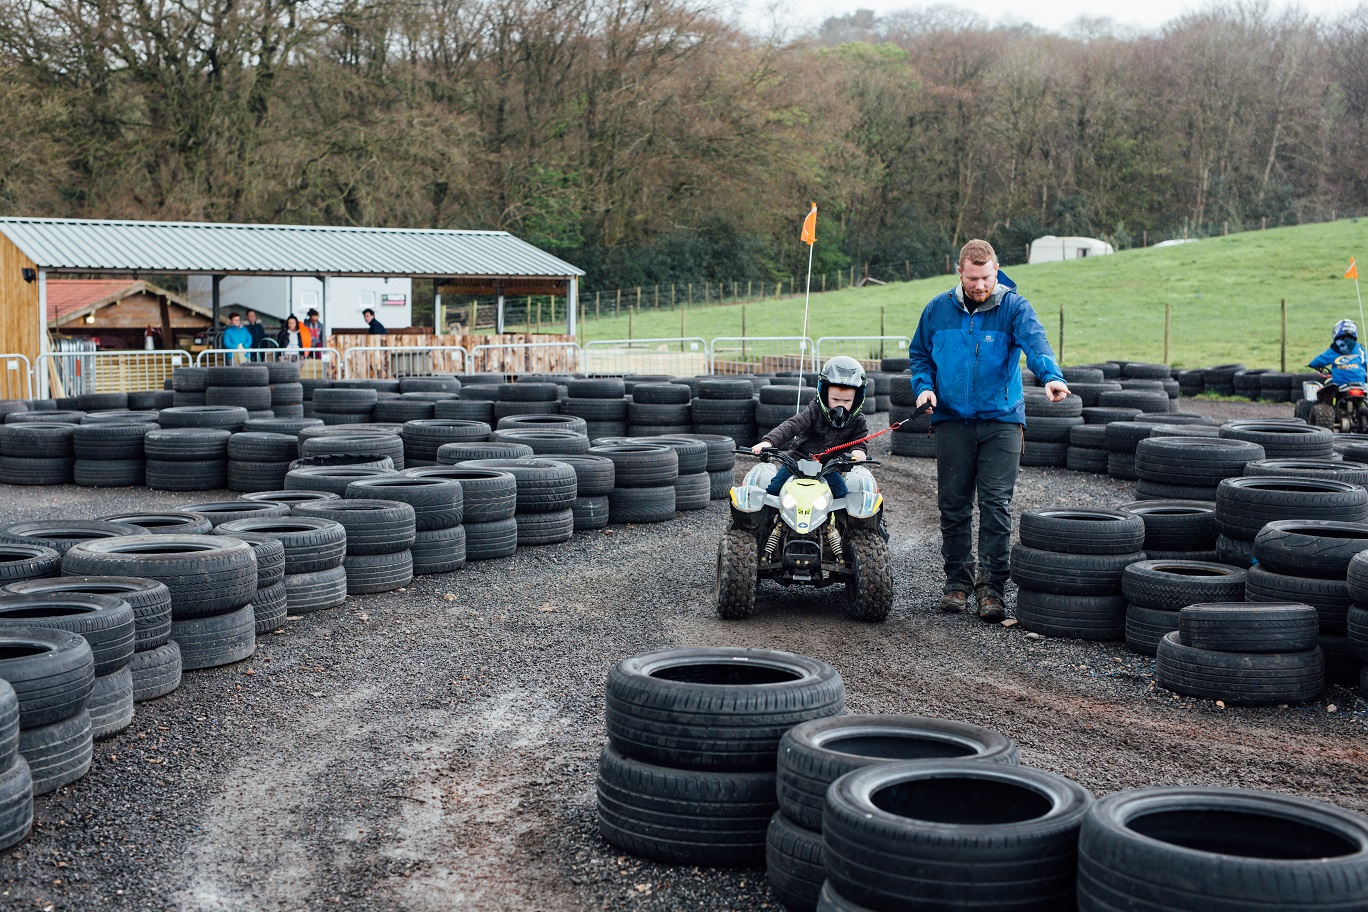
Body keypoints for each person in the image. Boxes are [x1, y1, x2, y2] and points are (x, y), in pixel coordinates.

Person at [908, 239, 1070, 621]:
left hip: (1001, 421)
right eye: (972, 278)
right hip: (951, 420)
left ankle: (992, 588)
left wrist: (1051, 376)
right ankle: (957, 583)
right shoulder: (936, 310)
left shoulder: (1015, 307)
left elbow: (1036, 343)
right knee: (953, 504)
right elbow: (920, 355)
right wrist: (924, 386)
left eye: (986, 277)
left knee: (996, 504)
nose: (980, 285)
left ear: (996, 272)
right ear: (959, 273)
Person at [751, 356, 870, 500]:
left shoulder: (858, 421)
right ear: (824, 395)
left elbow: (859, 441)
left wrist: (858, 452)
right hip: (798, 461)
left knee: (841, 495)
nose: (841, 405)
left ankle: (835, 523)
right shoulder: (814, 411)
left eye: (847, 401)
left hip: (829, 466)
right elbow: (791, 426)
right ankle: (769, 521)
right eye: (835, 400)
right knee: (774, 491)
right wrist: (768, 442)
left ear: (857, 399)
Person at [1309, 319, 1367, 386]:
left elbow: (1316, 362)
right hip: (1360, 385)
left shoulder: (1334, 348)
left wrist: (1311, 365)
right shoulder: (1359, 348)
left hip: (1339, 385)